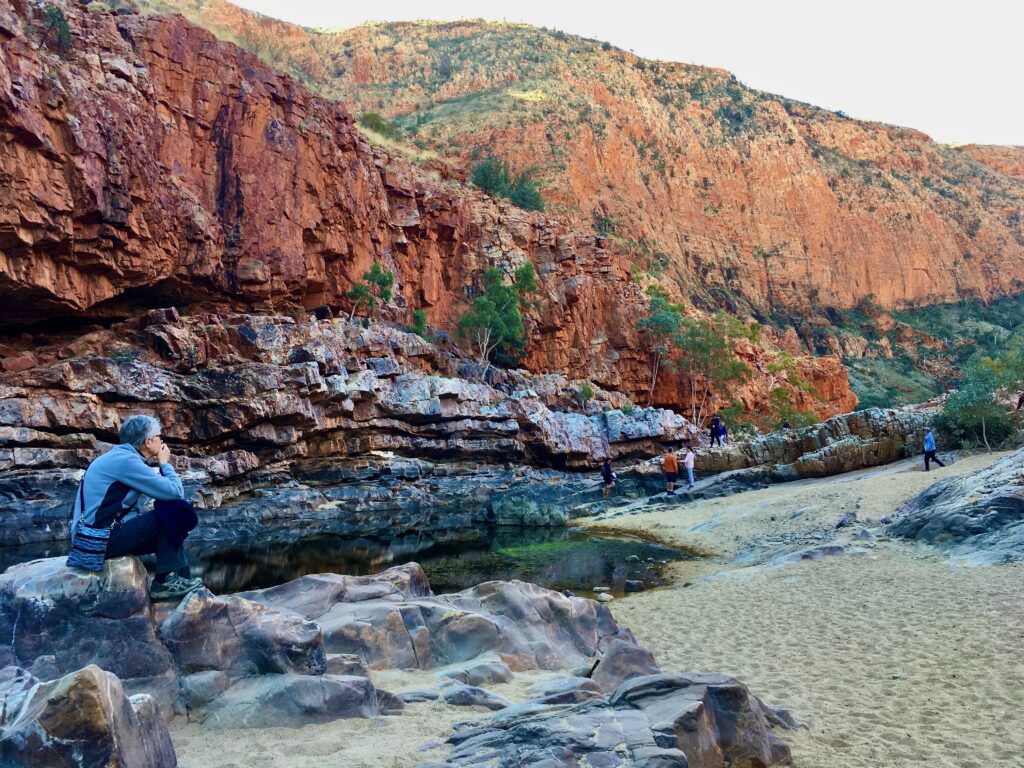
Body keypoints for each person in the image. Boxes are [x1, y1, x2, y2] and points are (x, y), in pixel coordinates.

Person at [68, 415, 203, 600]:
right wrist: (165, 463)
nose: (162, 440)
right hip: (96, 541)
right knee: (174, 510)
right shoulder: (126, 461)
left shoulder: (120, 457)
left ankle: (176, 580)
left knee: (167, 520)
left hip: (93, 537)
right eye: (159, 436)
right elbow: (175, 492)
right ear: (148, 442)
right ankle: (166, 582)